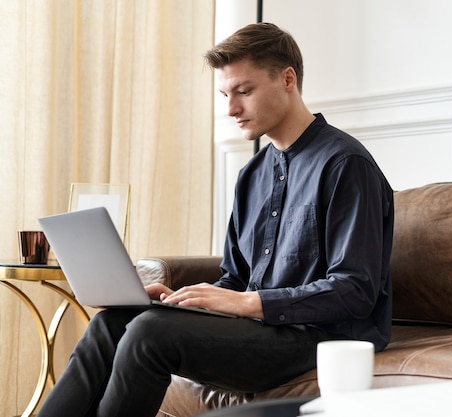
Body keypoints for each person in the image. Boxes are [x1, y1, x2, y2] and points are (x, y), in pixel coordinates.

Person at [38, 22, 394, 417]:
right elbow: (236, 279)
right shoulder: (253, 175)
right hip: (262, 330)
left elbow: (355, 291)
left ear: (288, 79)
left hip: (321, 337)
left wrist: (249, 302)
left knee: (148, 333)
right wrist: (188, 300)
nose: (231, 109)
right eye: (226, 94)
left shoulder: (346, 164)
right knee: (113, 322)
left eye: (244, 91)